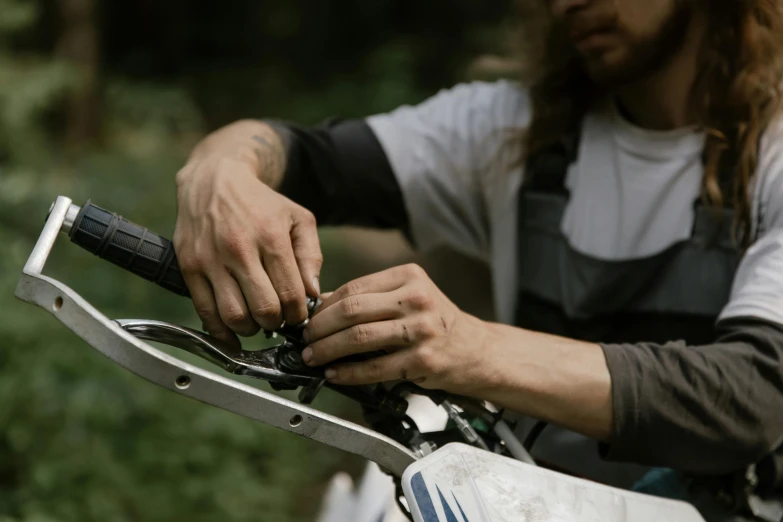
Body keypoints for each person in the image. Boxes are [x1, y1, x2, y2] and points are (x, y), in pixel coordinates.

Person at [173, 0, 783, 519]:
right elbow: (307, 156)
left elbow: (752, 395)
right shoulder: (513, 130)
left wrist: (472, 349)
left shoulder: (774, 151)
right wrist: (219, 173)